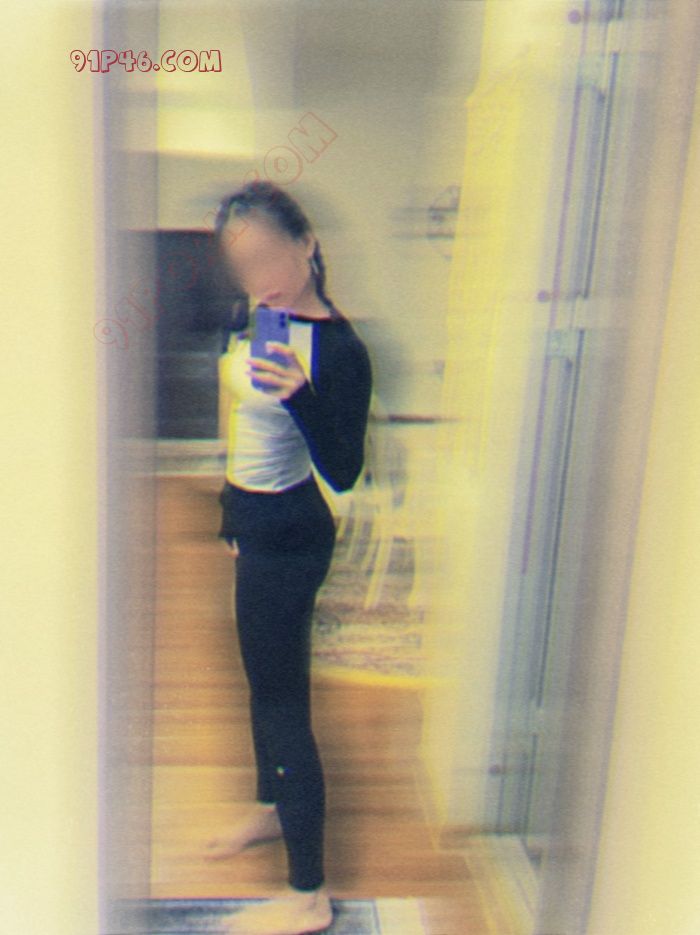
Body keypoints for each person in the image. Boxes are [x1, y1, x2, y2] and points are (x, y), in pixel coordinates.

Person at [206, 180, 373, 935]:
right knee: (261, 682)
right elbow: (243, 428)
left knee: (282, 703)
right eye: (245, 264)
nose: (261, 275)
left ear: (306, 244)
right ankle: (272, 807)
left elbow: (343, 470)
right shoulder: (252, 316)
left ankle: (309, 894)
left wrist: (303, 394)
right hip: (255, 522)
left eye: (272, 256)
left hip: (294, 536)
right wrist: (230, 512)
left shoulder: (340, 349)